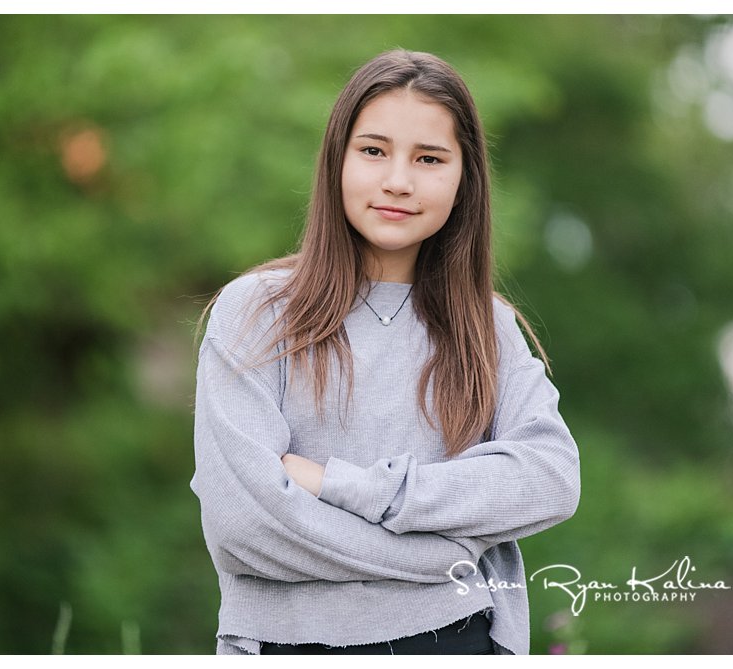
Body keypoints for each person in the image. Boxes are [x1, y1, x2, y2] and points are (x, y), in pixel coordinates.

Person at [190, 49, 580, 655]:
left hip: (457, 642)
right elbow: (246, 527)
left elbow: (550, 479)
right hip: (286, 645)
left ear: (464, 178)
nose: (398, 179)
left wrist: (343, 485)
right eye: (374, 151)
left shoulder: (488, 327)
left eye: (429, 158)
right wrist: (443, 559)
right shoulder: (256, 313)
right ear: (337, 161)